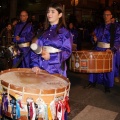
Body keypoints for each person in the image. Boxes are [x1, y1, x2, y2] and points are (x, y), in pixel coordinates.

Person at [30, 2, 73, 77]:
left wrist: (52, 57)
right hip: (40, 68)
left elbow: (67, 52)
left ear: (60, 15)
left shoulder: (65, 33)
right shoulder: (42, 32)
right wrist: (35, 65)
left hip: (56, 69)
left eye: (53, 12)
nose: (49, 14)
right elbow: (35, 50)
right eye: (48, 12)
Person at [85, 8, 120, 92]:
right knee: (94, 65)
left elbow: (118, 39)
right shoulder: (99, 27)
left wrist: (112, 49)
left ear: (111, 16)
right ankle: (92, 82)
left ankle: (107, 85)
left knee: (107, 68)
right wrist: (94, 39)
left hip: (108, 50)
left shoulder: (115, 27)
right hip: (98, 49)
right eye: (104, 15)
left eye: (108, 15)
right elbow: (93, 37)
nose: (106, 16)